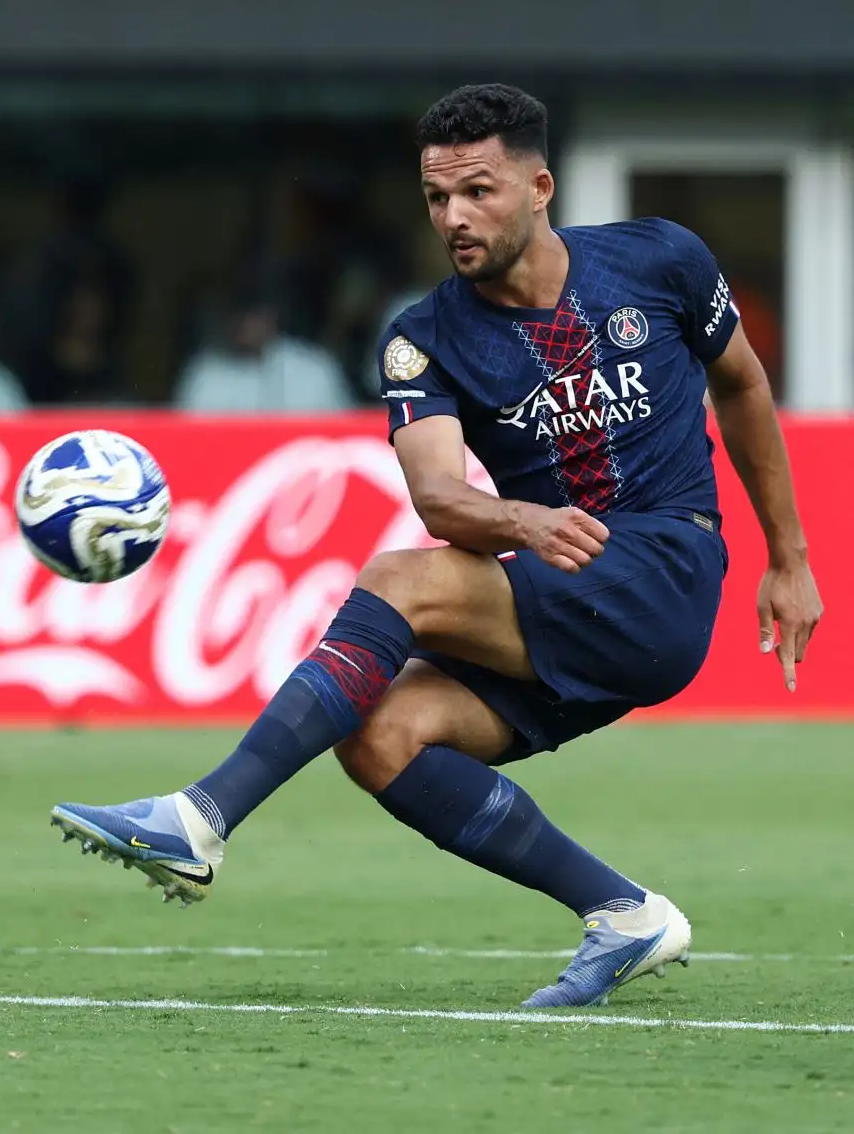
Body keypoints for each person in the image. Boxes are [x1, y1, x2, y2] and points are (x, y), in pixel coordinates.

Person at [49, 84, 824, 1009]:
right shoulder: (423, 337)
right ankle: (623, 915)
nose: (454, 217)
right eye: (436, 198)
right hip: (565, 584)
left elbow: (739, 382)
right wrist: (525, 523)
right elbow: (437, 496)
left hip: (665, 570)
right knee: (381, 735)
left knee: (397, 583)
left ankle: (201, 816)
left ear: (539, 187)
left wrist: (789, 556)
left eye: (478, 192)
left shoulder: (660, 261)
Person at [171, 287, 352, 412]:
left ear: (271, 315)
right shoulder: (206, 374)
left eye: (254, 314)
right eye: (239, 315)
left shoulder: (314, 369)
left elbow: (343, 439)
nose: (246, 324)